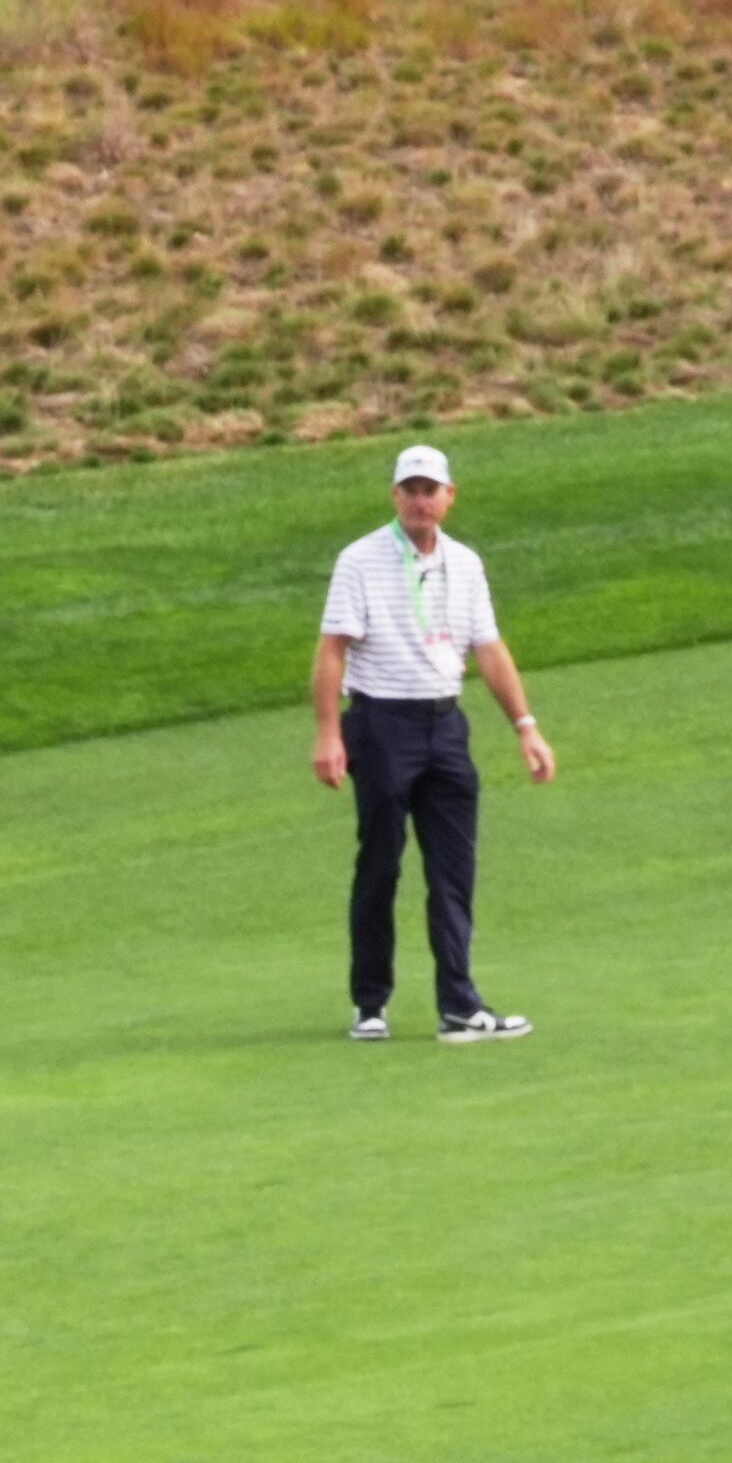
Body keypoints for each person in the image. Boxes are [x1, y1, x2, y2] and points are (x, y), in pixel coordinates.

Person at [309, 442, 552, 1045]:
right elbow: (332, 649)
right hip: (381, 724)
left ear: (449, 495)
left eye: (430, 489)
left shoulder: (464, 563)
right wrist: (329, 733)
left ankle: (458, 1005)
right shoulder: (360, 559)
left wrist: (526, 726)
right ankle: (370, 1003)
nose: (421, 500)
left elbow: (488, 650)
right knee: (380, 864)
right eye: (410, 489)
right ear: (395, 495)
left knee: (452, 869)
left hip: (446, 727)